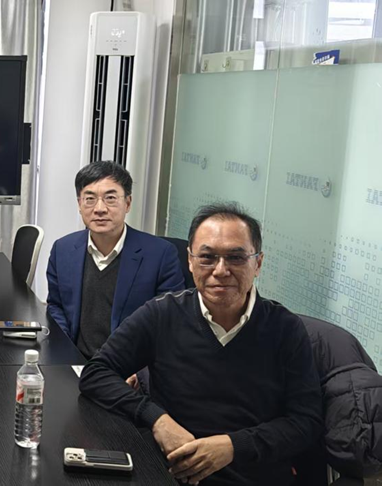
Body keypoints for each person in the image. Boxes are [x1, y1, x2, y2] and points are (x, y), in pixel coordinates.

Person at [79, 203, 322, 485]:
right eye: (207, 257)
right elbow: (96, 372)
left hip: (252, 477)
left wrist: (232, 447)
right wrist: (157, 419)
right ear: (190, 261)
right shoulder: (162, 314)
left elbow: (306, 421)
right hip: (169, 475)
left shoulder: (285, 328)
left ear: (258, 263)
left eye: (236, 258)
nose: (221, 270)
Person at [46, 162, 184, 359]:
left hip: (129, 366)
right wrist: (65, 353)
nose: (99, 209)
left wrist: (139, 372)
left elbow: (169, 321)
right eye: (90, 199)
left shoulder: (161, 255)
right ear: (79, 204)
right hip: (76, 362)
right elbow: (56, 306)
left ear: (127, 203)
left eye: (110, 198)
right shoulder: (63, 250)